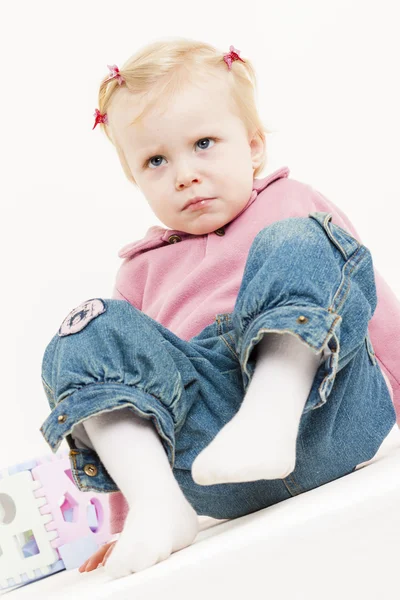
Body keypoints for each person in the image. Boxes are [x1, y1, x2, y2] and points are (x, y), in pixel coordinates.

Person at [39, 38, 400, 580]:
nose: (184, 173)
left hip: (330, 409)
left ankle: (269, 416)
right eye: (156, 160)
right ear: (135, 178)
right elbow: (128, 396)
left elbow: (371, 305)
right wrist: (125, 520)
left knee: (299, 243)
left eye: (203, 143)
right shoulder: (140, 272)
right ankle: (160, 507)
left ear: (253, 148)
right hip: (212, 464)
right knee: (87, 327)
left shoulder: (292, 203)